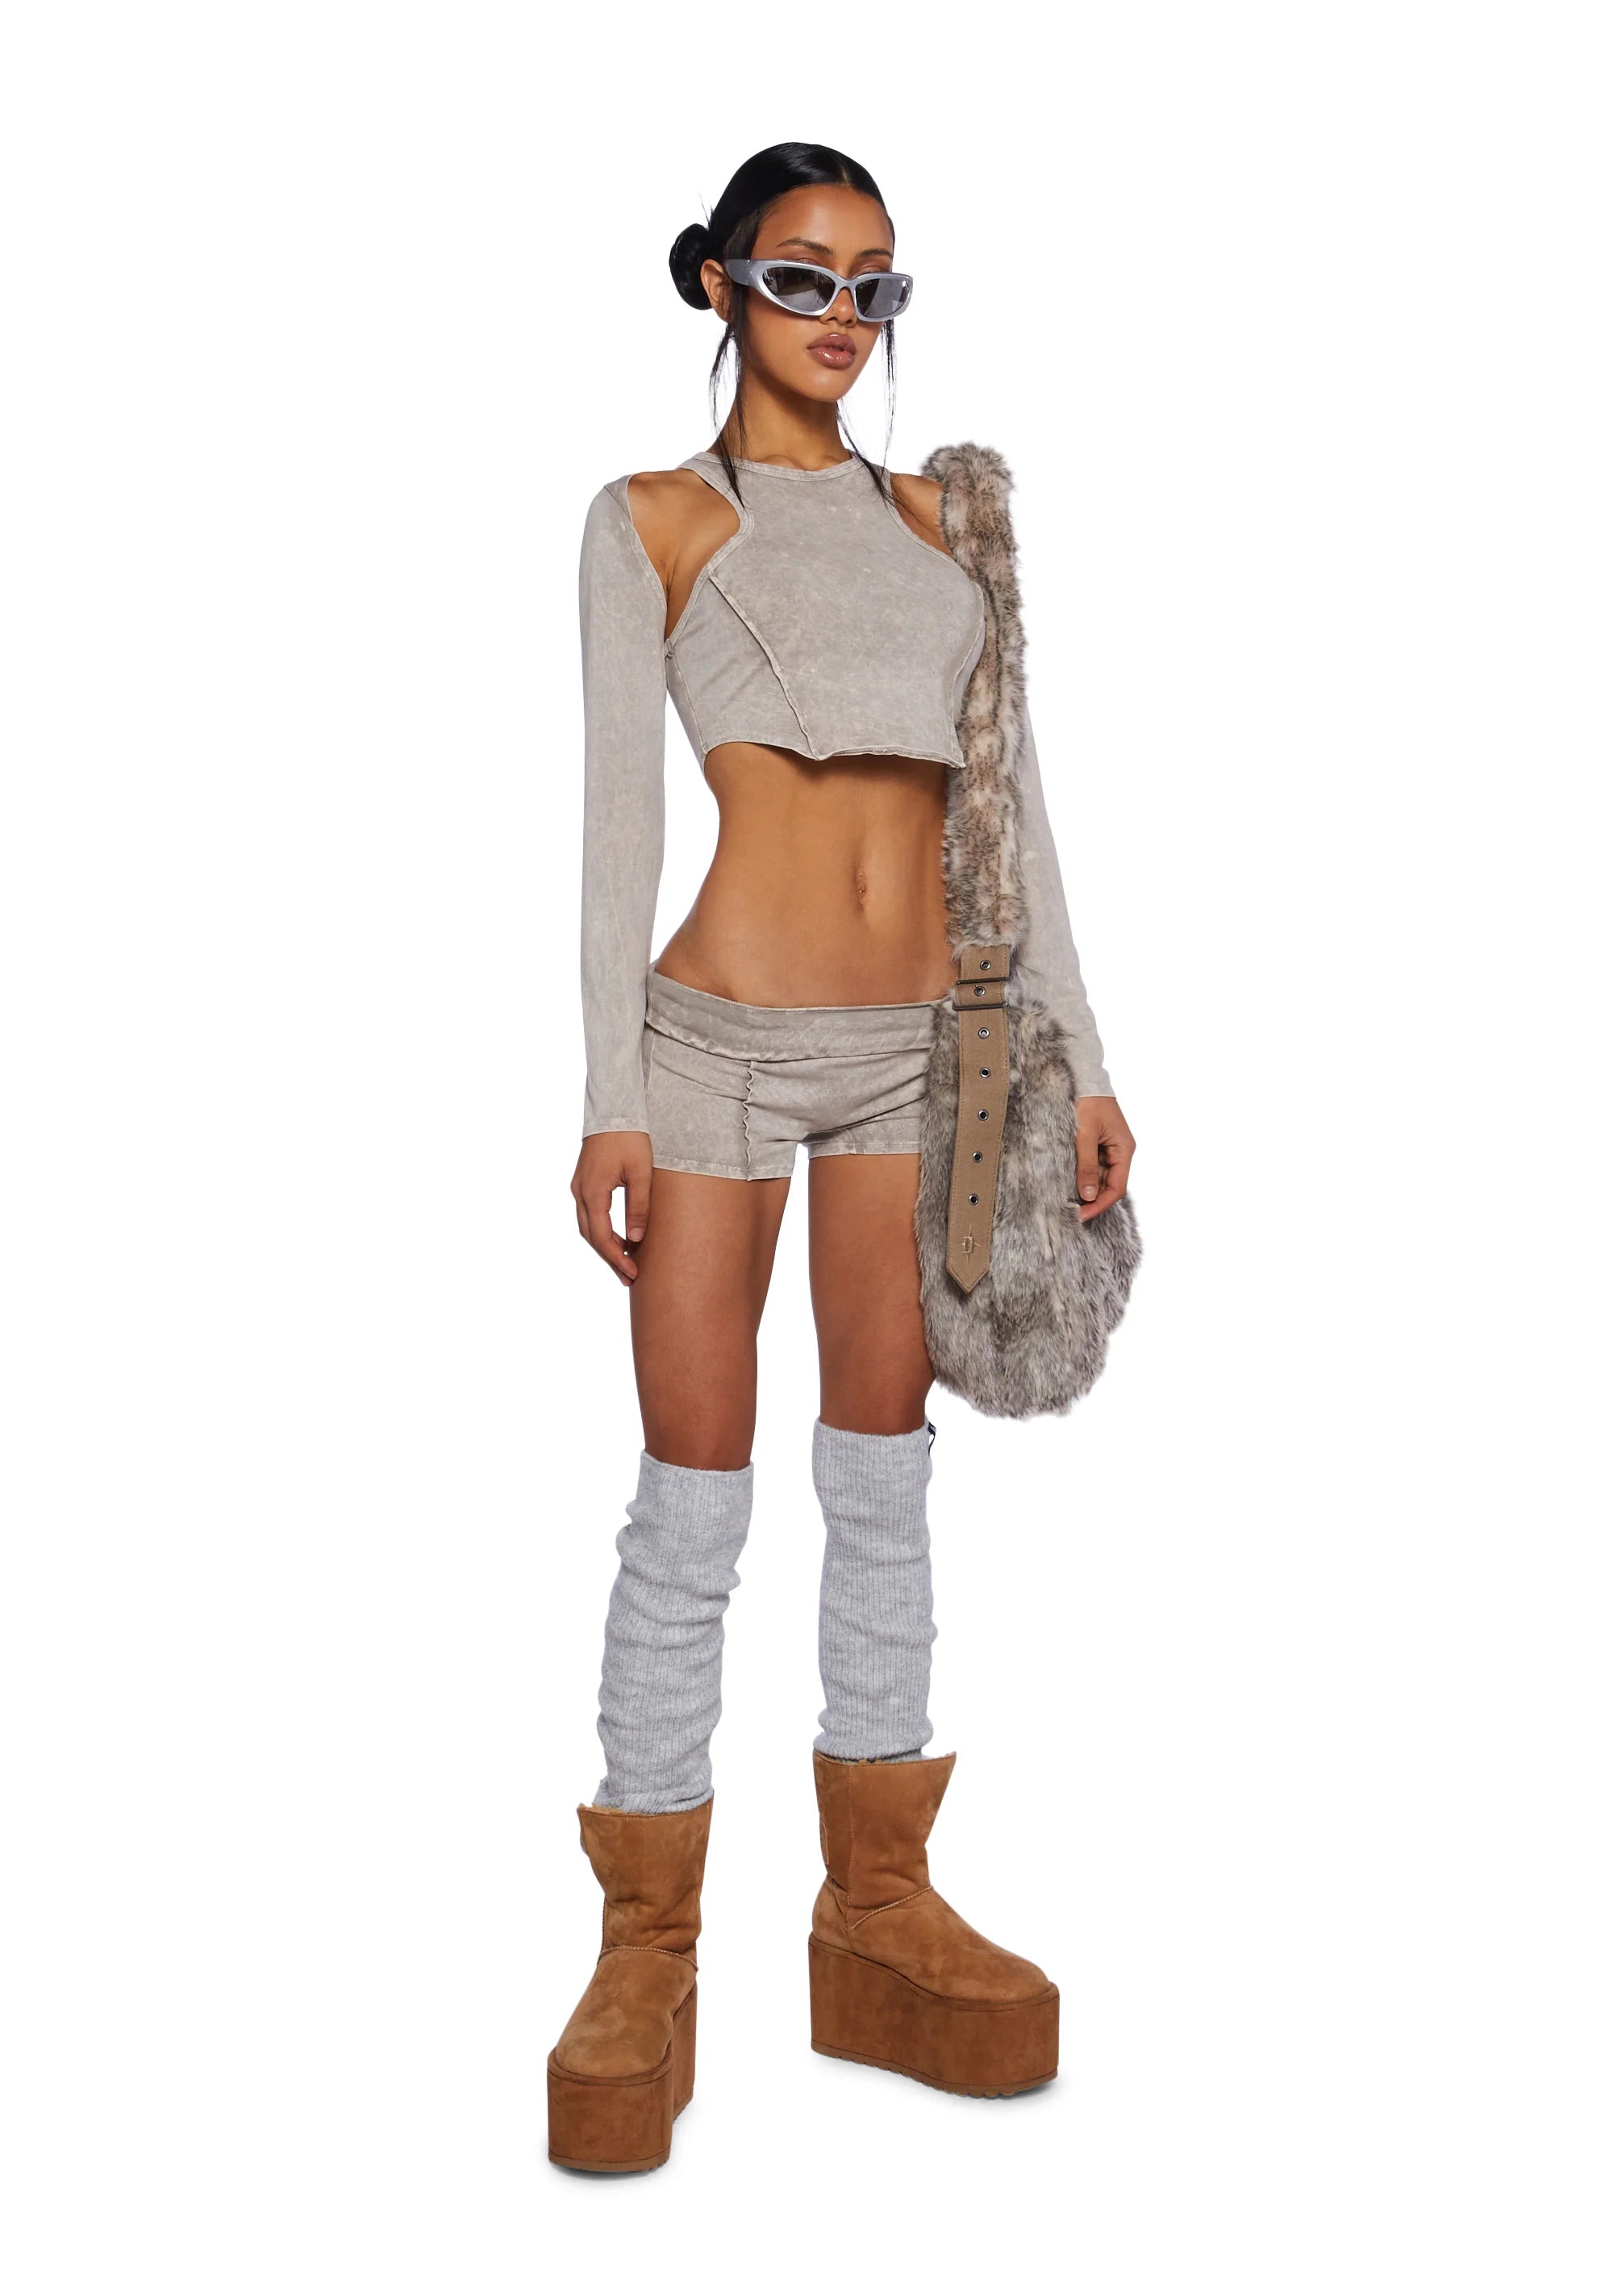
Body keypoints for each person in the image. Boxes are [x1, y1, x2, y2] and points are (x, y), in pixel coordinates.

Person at [547, 141, 1136, 2173]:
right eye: (802, 274)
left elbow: (1014, 806)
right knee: (690, 1499)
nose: (842, 315)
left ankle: (876, 1903)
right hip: (712, 1047)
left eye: (875, 283)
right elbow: (616, 827)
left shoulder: (943, 521)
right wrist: (609, 1094)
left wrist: (1080, 1056)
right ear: (719, 282)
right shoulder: (654, 521)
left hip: (922, 1059)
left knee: (881, 1484)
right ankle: (646, 1943)